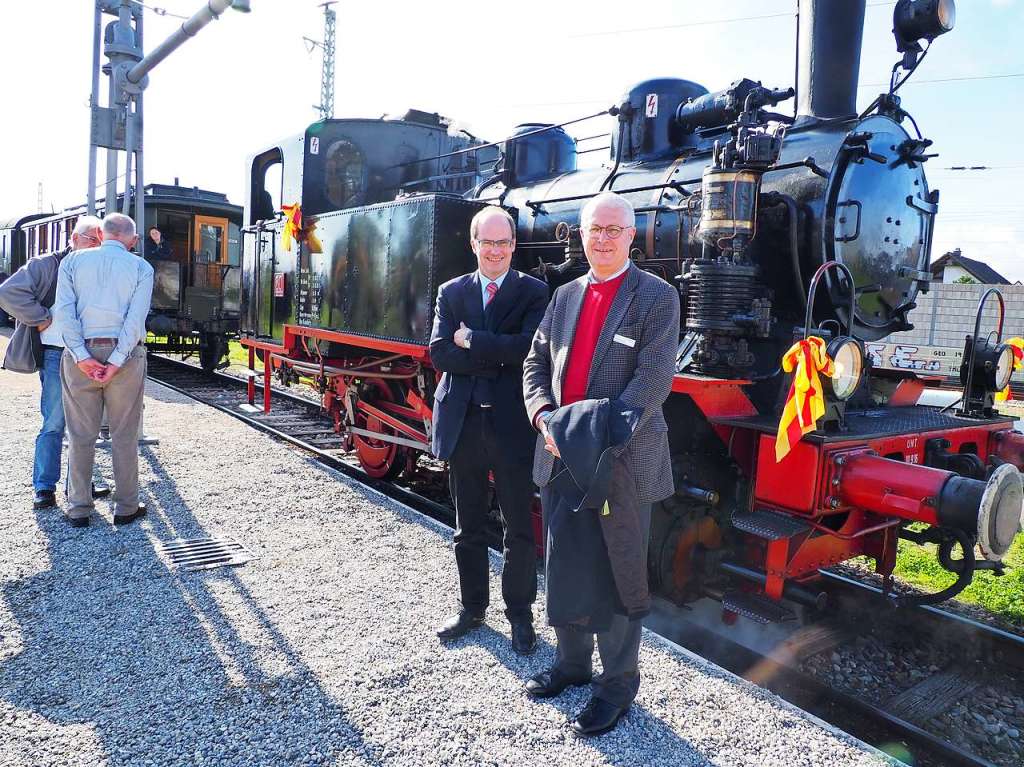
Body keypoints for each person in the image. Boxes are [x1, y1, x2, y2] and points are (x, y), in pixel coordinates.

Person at [522, 192, 679, 736]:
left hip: (622, 461)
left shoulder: (657, 297)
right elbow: (535, 362)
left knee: (618, 572)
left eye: (615, 230)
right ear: (582, 234)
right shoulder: (563, 295)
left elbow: (652, 381)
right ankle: (571, 665)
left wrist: (590, 437)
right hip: (560, 453)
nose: (604, 238)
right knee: (564, 560)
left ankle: (616, 687)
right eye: (596, 229)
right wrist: (545, 418)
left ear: (632, 237)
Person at [428, 206, 548, 655]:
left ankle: (520, 615)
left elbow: (528, 350)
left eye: (503, 242)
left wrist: (472, 339)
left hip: (513, 425)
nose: (495, 250)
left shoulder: (534, 292)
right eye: (487, 242)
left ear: (514, 245)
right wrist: (495, 352)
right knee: (467, 525)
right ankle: (471, 608)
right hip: (464, 423)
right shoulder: (451, 291)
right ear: (473, 244)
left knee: (519, 528)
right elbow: (440, 353)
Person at [0, 216, 111, 510]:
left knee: (84, 426)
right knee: (53, 423)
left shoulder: (98, 269)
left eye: (101, 243)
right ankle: (44, 487)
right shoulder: (46, 265)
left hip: (86, 355)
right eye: (93, 241)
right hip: (56, 353)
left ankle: (79, 486)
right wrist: (40, 317)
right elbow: (7, 292)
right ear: (75, 239)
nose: (98, 248)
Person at [53, 213, 154, 528]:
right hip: (124, 360)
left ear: (100, 232)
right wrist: (116, 361)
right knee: (124, 434)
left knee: (81, 434)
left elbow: (64, 313)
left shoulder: (71, 263)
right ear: (133, 241)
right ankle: (125, 507)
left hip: (80, 355)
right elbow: (135, 320)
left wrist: (82, 356)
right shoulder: (141, 268)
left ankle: (79, 508)